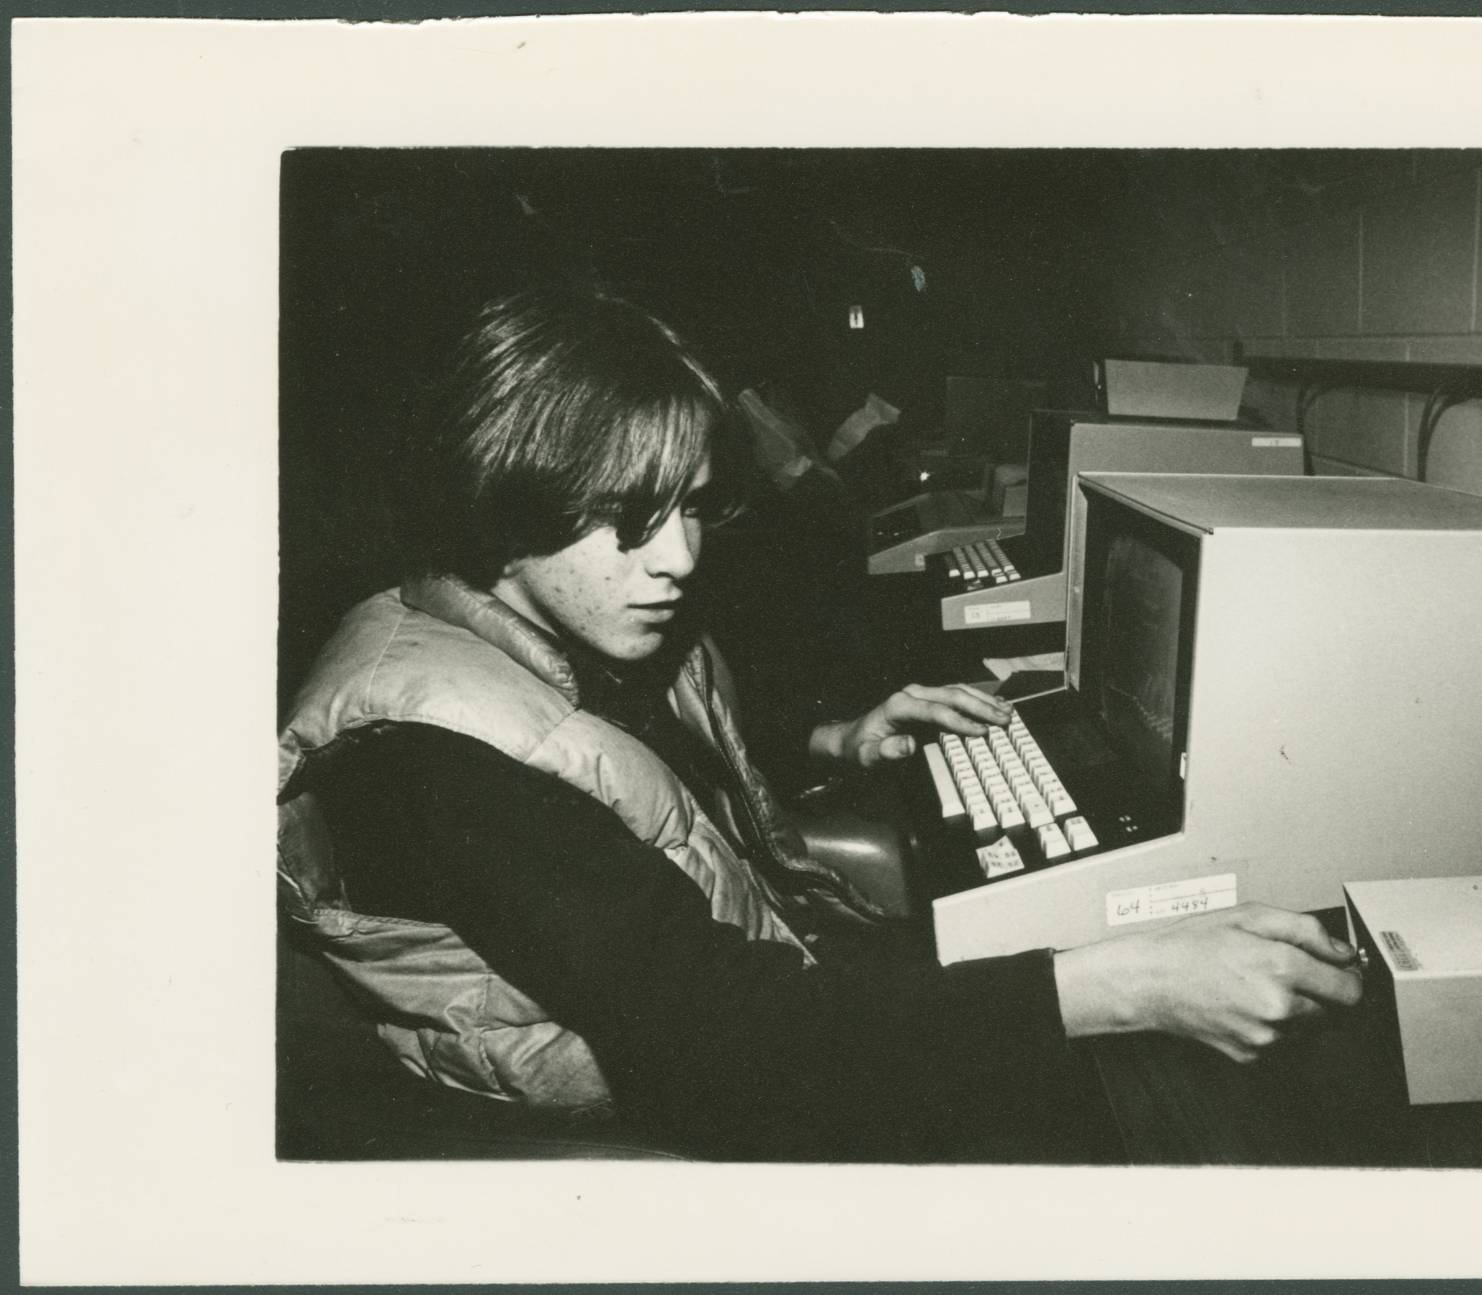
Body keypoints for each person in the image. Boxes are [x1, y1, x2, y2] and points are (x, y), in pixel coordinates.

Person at [276, 284, 1363, 1162]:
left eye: (693, 505)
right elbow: (731, 1042)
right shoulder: (429, 758)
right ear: (501, 503)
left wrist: (833, 741)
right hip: (638, 1115)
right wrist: (1127, 983)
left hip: (760, 1001)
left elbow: (637, 780)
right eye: (629, 517)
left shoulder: (539, 618)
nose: (680, 558)